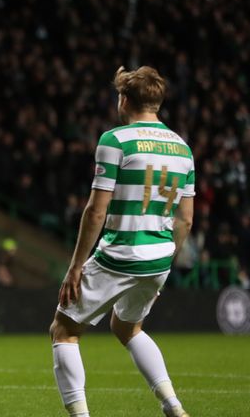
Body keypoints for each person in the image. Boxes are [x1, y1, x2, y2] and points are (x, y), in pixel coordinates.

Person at [49, 66, 195, 417]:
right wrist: (162, 264)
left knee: (64, 330)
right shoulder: (182, 148)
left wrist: (75, 267)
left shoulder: (115, 140)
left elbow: (95, 213)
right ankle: (172, 406)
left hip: (120, 253)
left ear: (124, 99)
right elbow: (186, 219)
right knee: (127, 326)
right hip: (159, 255)